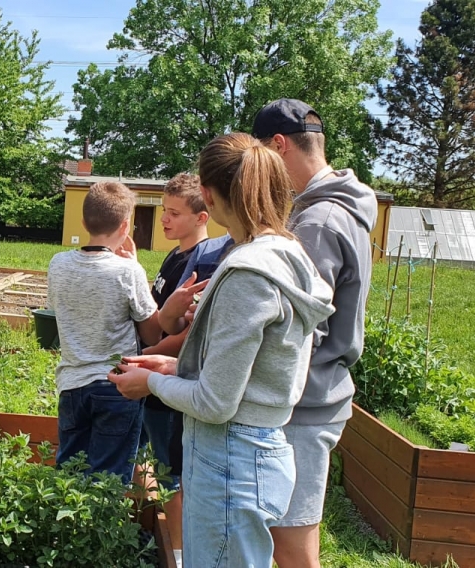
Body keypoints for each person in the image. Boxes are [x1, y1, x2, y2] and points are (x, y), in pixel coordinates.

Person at [109, 133, 334, 568]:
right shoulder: (286, 254)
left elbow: (215, 403)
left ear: (208, 196)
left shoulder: (247, 274)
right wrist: (177, 366)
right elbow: (249, 374)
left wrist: (151, 382)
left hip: (231, 462)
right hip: (254, 454)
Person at [252, 99, 379, 568]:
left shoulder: (318, 222)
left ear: (279, 147)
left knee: (292, 546)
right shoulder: (339, 211)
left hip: (306, 402)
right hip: (319, 394)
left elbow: (304, 330)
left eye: (260, 159)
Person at [47, 180, 161, 483]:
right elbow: (152, 334)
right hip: (116, 385)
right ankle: (103, 526)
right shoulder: (128, 271)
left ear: (83, 222)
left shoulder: (57, 264)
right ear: (126, 226)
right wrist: (137, 269)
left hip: (71, 384)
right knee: (109, 477)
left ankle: (66, 529)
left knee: (70, 471)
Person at [138, 172, 209, 552]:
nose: (164, 219)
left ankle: (179, 553)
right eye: (164, 211)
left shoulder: (204, 262)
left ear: (202, 216)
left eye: (174, 213)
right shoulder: (173, 255)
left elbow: (190, 335)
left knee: (170, 473)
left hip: (169, 381)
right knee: (152, 460)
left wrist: (145, 357)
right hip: (151, 375)